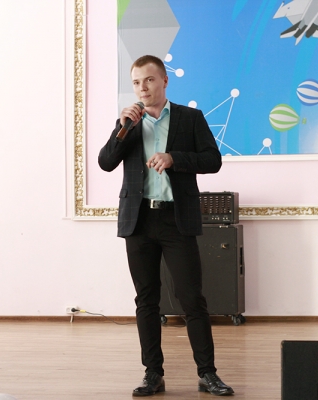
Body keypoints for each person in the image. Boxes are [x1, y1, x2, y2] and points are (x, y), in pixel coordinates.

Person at [98, 55, 234, 397]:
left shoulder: (190, 118)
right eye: (136, 82)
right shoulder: (129, 123)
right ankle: (153, 374)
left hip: (176, 219)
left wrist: (174, 158)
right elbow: (106, 162)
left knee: (192, 299)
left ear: (164, 81)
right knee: (147, 301)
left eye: (149, 80)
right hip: (139, 221)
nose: (142, 88)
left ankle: (208, 374)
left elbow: (213, 160)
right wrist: (121, 129)